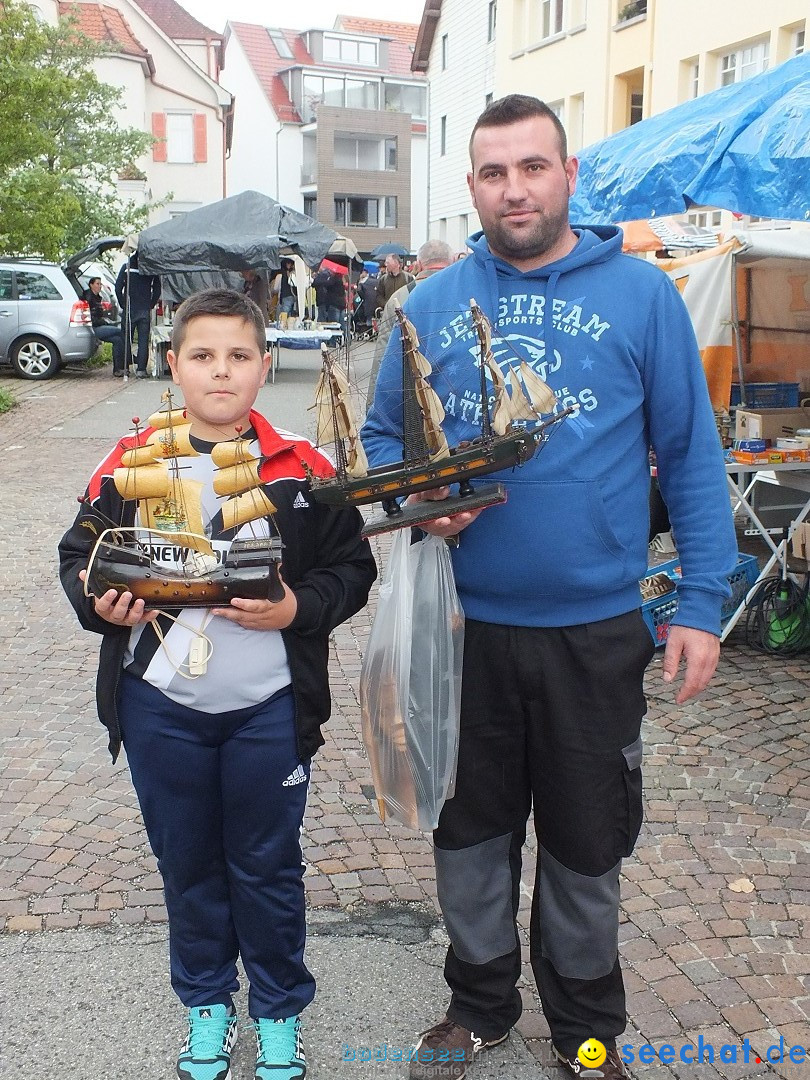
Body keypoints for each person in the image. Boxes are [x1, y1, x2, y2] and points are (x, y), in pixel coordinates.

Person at [362, 95, 737, 1080]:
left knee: (586, 840)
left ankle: (585, 1024)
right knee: (470, 831)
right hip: (463, 626)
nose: (514, 188)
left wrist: (700, 603)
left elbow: (691, 456)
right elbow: (381, 443)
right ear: (474, 185)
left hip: (595, 630)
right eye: (493, 171)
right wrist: (424, 502)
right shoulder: (431, 306)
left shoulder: (641, 297)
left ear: (570, 176)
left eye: (532, 167)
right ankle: (478, 1001)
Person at [59, 288, 377, 1080]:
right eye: (202, 356)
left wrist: (302, 606)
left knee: (268, 864)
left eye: (239, 355)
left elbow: (352, 568)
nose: (221, 371)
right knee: (188, 862)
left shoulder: (304, 469)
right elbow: (78, 557)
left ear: (265, 366)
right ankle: (205, 1004)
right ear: (174, 365)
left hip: (268, 707)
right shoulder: (127, 464)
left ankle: (276, 1012)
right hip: (160, 705)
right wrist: (100, 602)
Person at [366, 239, 454, 408]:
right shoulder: (466, 295)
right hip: (457, 395)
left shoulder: (399, 298)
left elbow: (383, 356)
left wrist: (373, 406)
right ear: (451, 263)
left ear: (419, 265)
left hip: (410, 395)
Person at [115, 252, 161, 379]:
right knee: (143, 341)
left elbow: (118, 288)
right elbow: (157, 289)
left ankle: (125, 368)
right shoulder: (150, 270)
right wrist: (150, 304)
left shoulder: (127, 268)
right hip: (144, 309)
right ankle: (141, 369)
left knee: (126, 340)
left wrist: (123, 303)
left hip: (130, 308)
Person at [84, 276, 126, 377]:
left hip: (99, 325)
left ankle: (118, 369)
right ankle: (124, 362)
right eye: (97, 284)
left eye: (100, 284)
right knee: (119, 331)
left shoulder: (97, 297)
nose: (100, 286)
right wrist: (103, 322)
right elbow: (93, 318)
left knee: (117, 340)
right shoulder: (89, 298)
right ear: (91, 285)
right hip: (93, 328)